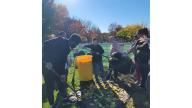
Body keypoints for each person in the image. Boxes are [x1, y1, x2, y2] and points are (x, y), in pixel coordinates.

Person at [42, 32, 81, 108]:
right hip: (46, 66)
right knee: (50, 86)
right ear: (72, 41)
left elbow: (62, 60)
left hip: (57, 66)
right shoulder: (60, 40)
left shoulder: (68, 47)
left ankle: (64, 98)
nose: (75, 46)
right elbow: (46, 44)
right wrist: (47, 60)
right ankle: (51, 104)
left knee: (61, 82)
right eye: (76, 44)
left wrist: (62, 73)